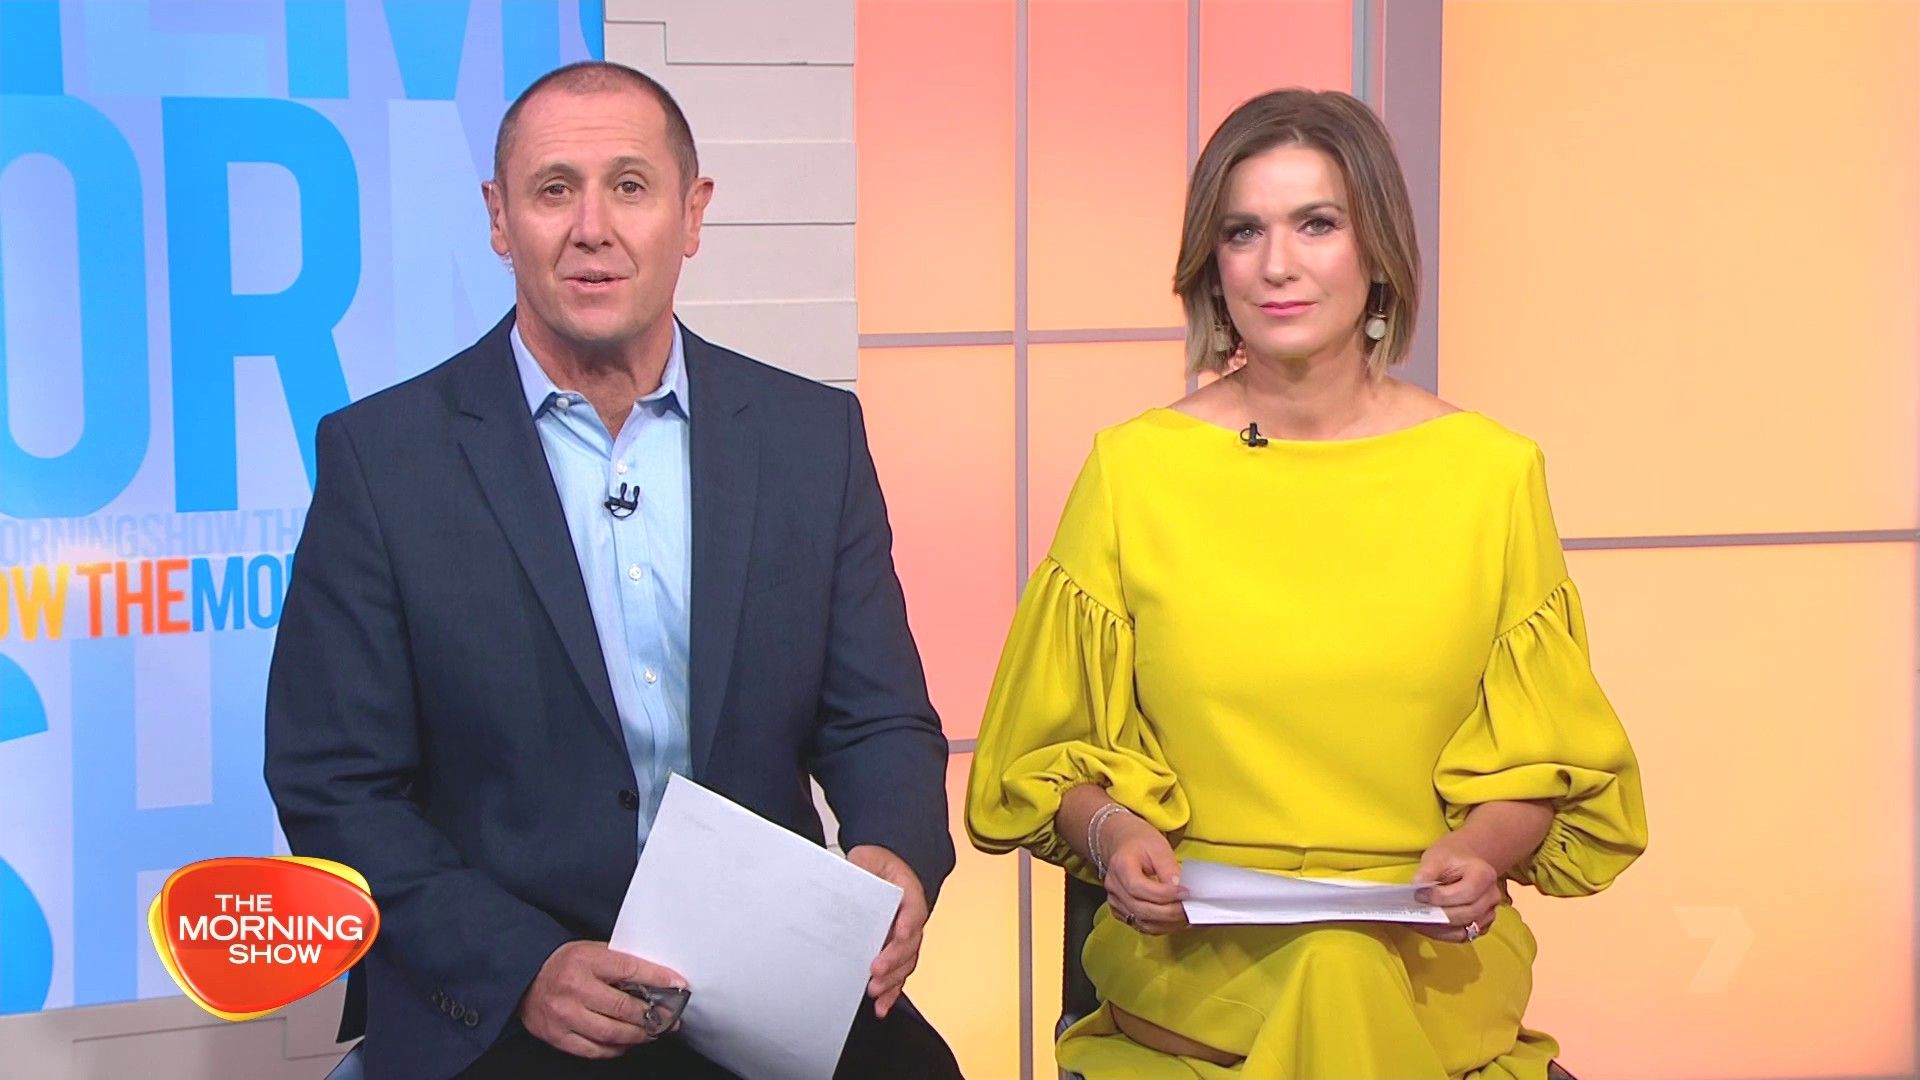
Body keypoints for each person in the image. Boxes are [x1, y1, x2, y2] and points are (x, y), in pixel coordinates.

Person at [265, 60, 962, 1080]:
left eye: (630, 186)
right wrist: (524, 967)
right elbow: (336, 787)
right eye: (555, 190)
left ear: (692, 213)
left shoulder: (810, 438)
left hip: (765, 981)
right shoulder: (384, 458)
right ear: (500, 219)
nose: (592, 227)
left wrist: (895, 852)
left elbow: (879, 719)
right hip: (508, 996)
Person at [965, 88, 1648, 1079]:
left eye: (1316, 224)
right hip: (1198, 963)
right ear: (1213, 264)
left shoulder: (1491, 476)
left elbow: (1544, 760)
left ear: (1378, 250)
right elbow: (1043, 755)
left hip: (1424, 958)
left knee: (1346, 971)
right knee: (1327, 975)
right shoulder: (1134, 470)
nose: (1276, 264)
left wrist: (1484, 853)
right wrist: (1112, 833)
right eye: (1243, 231)